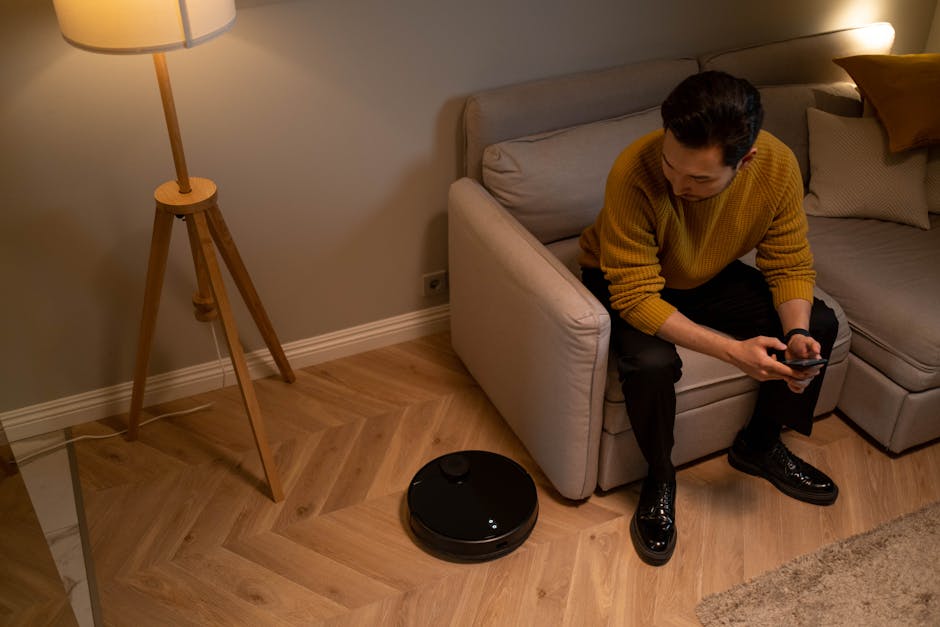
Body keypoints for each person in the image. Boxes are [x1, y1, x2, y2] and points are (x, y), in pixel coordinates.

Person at [578, 70, 839, 566]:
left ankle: (759, 446)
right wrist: (733, 353)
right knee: (651, 364)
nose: (678, 185)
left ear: (745, 161)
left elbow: (788, 262)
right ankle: (659, 478)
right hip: (623, 279)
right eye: (671, 165)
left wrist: (797, 332)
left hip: (704, 273)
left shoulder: (778, 168)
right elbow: (635, 296)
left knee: (820, 324)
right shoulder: (634, 171)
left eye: (699, 178)